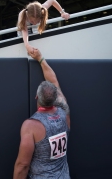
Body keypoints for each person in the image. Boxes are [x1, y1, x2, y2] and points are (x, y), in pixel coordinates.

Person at [13, 49, 70, 179]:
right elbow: (54, 82)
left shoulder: (31, 126)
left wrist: (39, 58)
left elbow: (22, 165)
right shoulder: (64, 112)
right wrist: (40, 59)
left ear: (36, 97)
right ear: (57, 97)